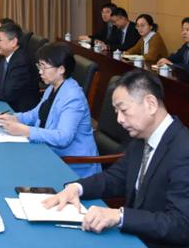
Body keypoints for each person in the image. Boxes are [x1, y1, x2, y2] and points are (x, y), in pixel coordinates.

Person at [44, 70, 189, 247]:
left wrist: (119, 216)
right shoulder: (140, 139)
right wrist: (76, 188)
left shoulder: (183, 149)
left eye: (124, 110)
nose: (119, 119)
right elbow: (115, 177)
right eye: (116, 111)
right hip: (133, 237)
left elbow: (181, 224)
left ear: (151, 104)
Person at [0, 43, 100, 178]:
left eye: (44, 67)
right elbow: (36, 114)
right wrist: (14, 117)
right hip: (48, 152)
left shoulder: (73, 97)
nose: (40, 72)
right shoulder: (53, 87)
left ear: (61, 69)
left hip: (72, 165)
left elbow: (63, 137)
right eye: (39, 66)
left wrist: (27, 131)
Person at [0, 22, 40, 112]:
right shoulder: (8, 55)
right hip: (8, 104)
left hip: (19, 111)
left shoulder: (21, 62)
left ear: (13, 42)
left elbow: (9, 94)